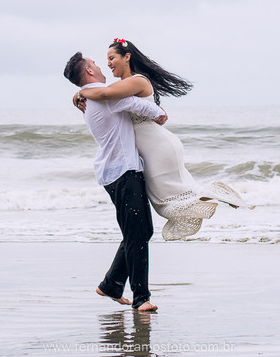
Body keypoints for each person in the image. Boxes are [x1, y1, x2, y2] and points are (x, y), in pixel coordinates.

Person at [73, 38, 250, 241]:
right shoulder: (123, 86)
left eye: (112, 58)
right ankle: (216, 192)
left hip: (156, 146)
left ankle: (217, 192)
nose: (108, 63)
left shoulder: (136, 81)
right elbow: (106, 96)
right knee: (166, 200)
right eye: (107, 60)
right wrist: (78, 96)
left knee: (166, 201)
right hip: (152, 146)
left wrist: (79, 92)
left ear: (127, 57)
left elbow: (103, 93)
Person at [64, 50, 163, 313]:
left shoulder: (92, 95)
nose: (99, 64)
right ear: (88, 71)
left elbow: (125, 102)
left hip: (117, 172)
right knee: (137, 235)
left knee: (140, 232)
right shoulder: (102, 95)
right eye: (94, 62)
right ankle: (141, 298)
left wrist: (78, 94)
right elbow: (134, 104)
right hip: (123, 172)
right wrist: (159, 113)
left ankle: (112, 284)